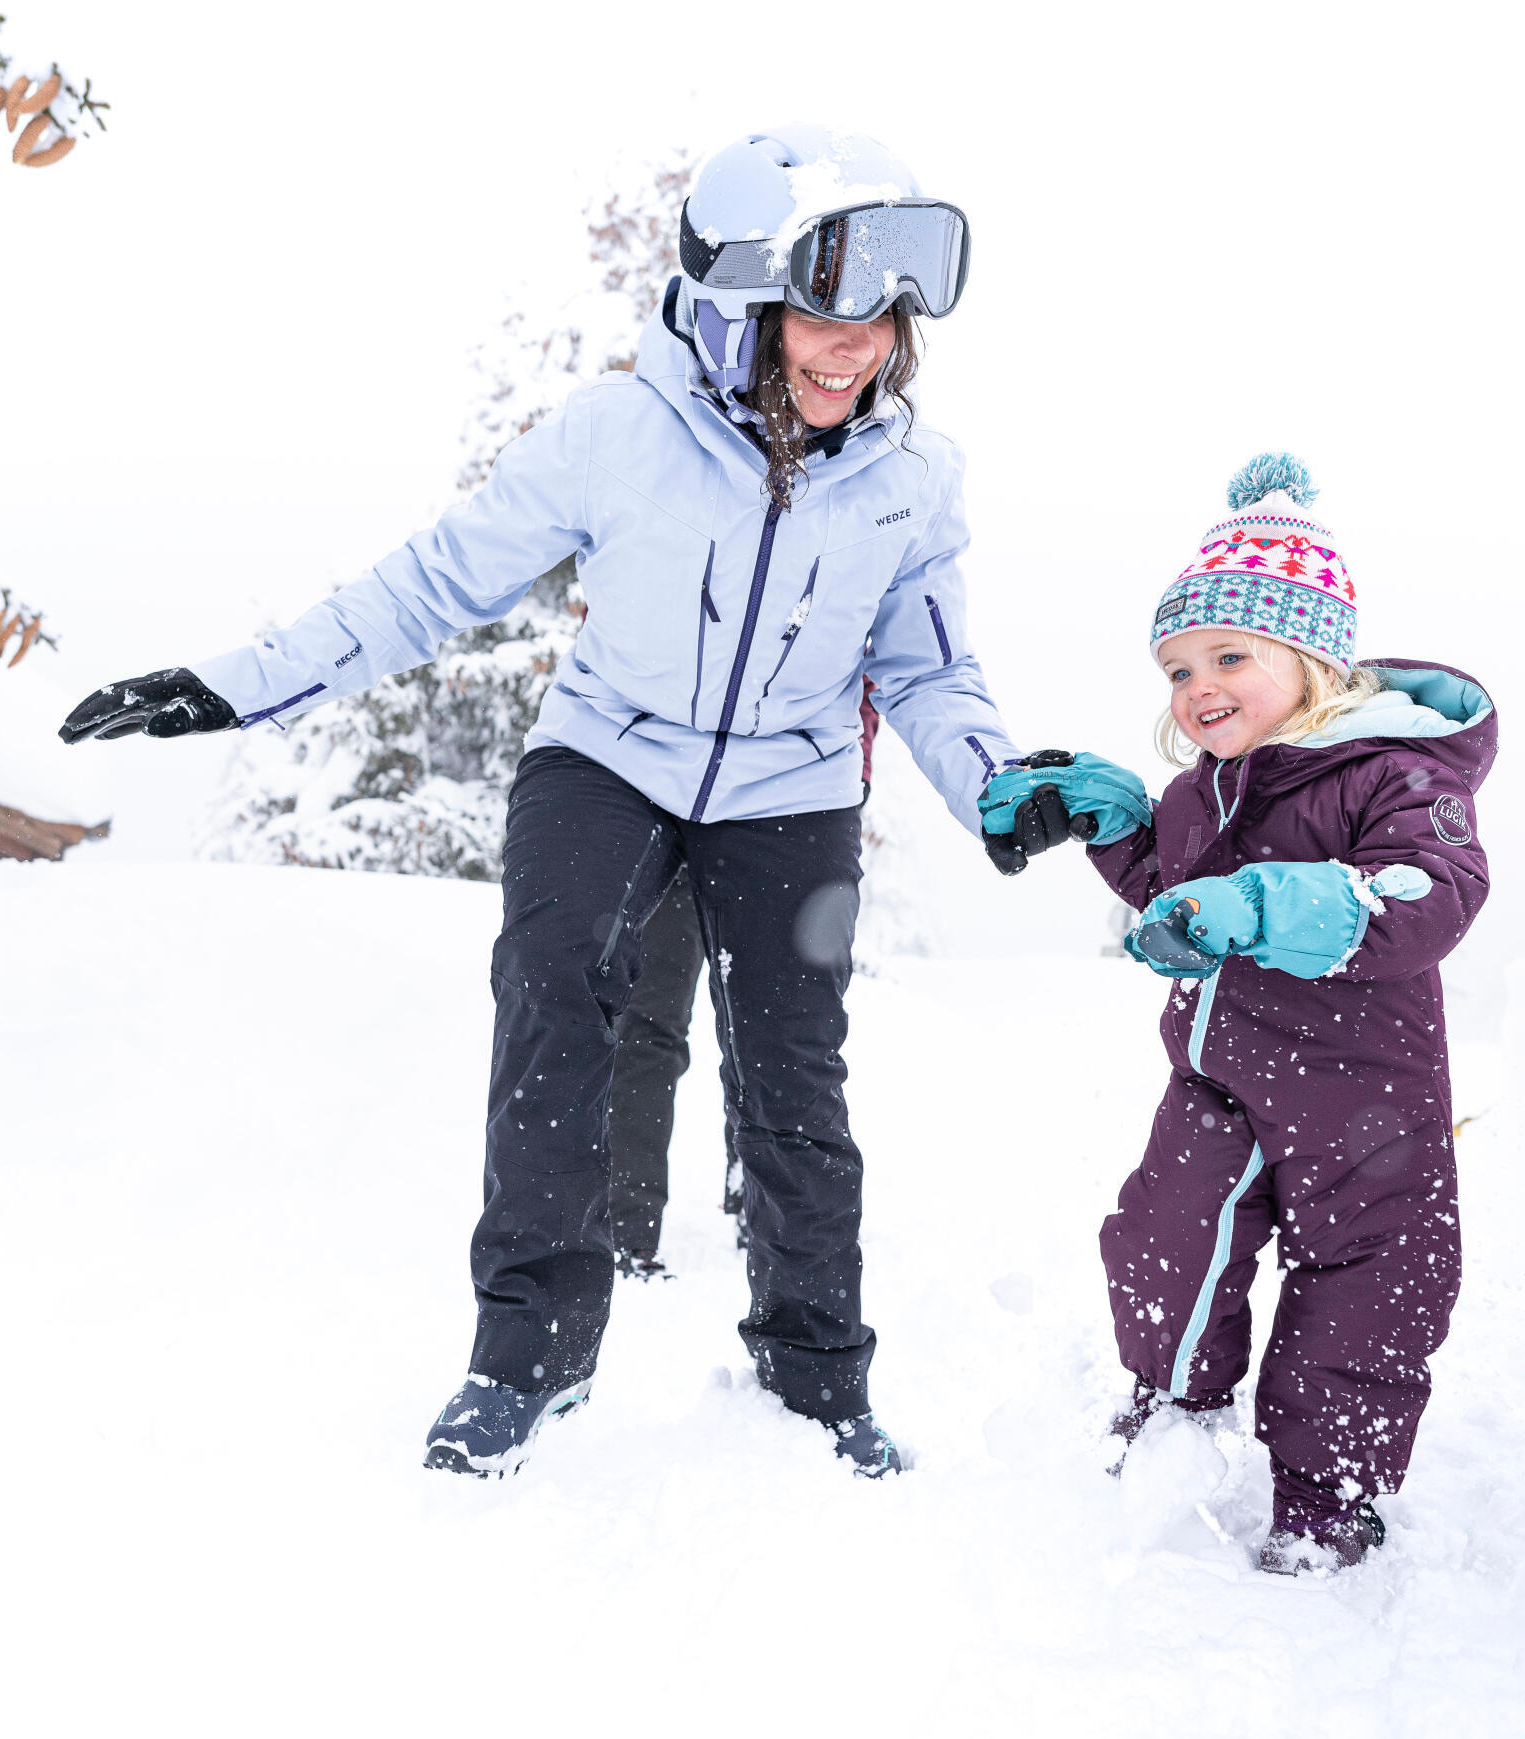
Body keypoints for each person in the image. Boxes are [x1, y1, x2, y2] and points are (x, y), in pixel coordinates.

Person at [60, 125, 1089, 1481]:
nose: (860, 348)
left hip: (789, 786)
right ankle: (525, 1360)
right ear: (741, 306)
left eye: (885, 317)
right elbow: (429, 585)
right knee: (555, 1007)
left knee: (794, 1074)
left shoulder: (913, 479)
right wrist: (234, 687)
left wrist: (995, 789)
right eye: (824, 314)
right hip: (608, 756)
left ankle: (816, 1377)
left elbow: (930, 666)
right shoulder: (618, 438)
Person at [980, 454, 1494, 1573]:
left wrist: (1262, 901)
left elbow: (1428, 895)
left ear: (1310, 654)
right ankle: (1173, 1403)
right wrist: (1112, 821)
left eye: (1226, 656)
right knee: (1162, 1236)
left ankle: (1330, 1492)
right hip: (1218, 1078)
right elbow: (1174, 898)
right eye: (1175, 667)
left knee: (1369, 1289)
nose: (1195, 686)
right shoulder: (1200, 789)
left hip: (1370, 1100)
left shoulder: (1394, 776)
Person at [608, 680, 880, 1278]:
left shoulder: (843, 587)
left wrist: (848, 776)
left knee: (766, 1034)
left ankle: (758, 1206)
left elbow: (866, 676)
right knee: (652, 1023)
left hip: (781, 808)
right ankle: (626, 1230)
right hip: (661, 797)